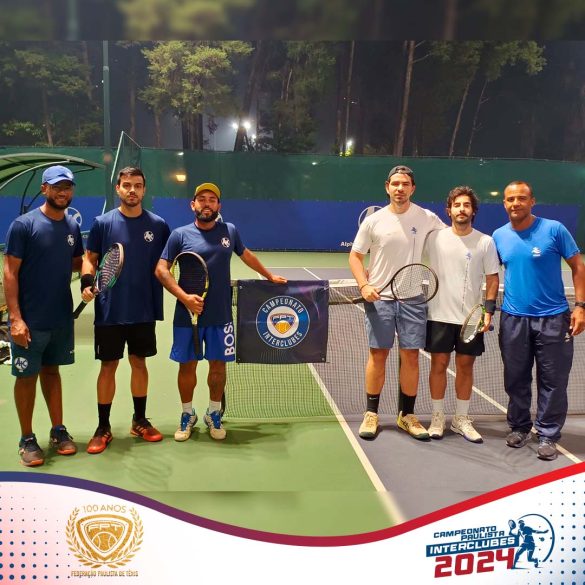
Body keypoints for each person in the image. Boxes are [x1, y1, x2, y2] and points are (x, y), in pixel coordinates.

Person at [155, 182, 286, 442]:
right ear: (193, 205)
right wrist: (184, 298)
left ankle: (213, 412)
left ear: (218, 206)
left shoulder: (230, 231)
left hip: (220, 315)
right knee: (187, 366)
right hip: (187, 316)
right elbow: (161, 270)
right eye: (201, 199)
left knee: (218, 366)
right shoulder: (179, 235)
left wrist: (268, 275)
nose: (207, 204)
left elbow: (246, 255)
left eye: (212, 200)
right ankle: (187, 414)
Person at [349, 165, 445, 441]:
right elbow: (355, 256)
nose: (400, 188)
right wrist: (364, 285)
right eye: (395, 184)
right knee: (378, 355)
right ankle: (371, 414)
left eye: (405, 184)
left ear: (412, 188)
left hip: (413, 299)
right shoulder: (374, 221)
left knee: (411, 356)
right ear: (387, 187)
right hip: (380, 298)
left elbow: (450, 240)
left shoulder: (426, 217)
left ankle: (407, 416)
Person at [493, 180, 585, 460]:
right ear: (504, 203)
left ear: (532, 201)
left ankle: (547, 433)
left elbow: (578, 266)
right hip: (513, 319)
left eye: (521, 198)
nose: (516, 203)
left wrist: (580, 306)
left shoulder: (554, 229)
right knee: (515, 378)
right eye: (510, 199)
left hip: (553, 319)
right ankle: (519, 426)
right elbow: (490, 275)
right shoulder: (498, 236)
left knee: (553, 381)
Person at [81, 167, 170, 454]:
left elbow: (167, 264)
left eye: (138, 185)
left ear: (144, 190)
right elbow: (90, 259)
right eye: (127, 185)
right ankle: (103, 427)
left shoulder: (158, 226)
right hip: (110, 310)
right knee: (108, 366)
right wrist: (86, 282)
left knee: (139, 362)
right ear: (118, 188)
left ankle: (139, 420)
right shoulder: (102, 223)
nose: (132, 190)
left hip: (144, 308)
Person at [3, 165, 83, 466]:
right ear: (44, 188)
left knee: (52, 372)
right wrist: (16, 318)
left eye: (67, 187)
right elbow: (10, 272)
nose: (63, 192)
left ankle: (58, 431)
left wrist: (94, 275)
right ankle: (26, 438)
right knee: (26, 377)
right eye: (57, 186)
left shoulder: (72, 227)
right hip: (29, 319)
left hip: (60, 317)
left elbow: (76, 263)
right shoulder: (24, 225)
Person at [424, 186, 499, 443]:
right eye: (457, 205)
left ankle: (460, 419)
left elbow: (492, 278)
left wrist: (488, 311)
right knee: (438, 365)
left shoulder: (485, 241)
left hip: (471, 318)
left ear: (473, 211)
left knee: (465, 367)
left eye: (466, 205)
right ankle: (437, 417)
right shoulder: (435, 238)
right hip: (438, 315)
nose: (461, 209)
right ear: (449, 210)